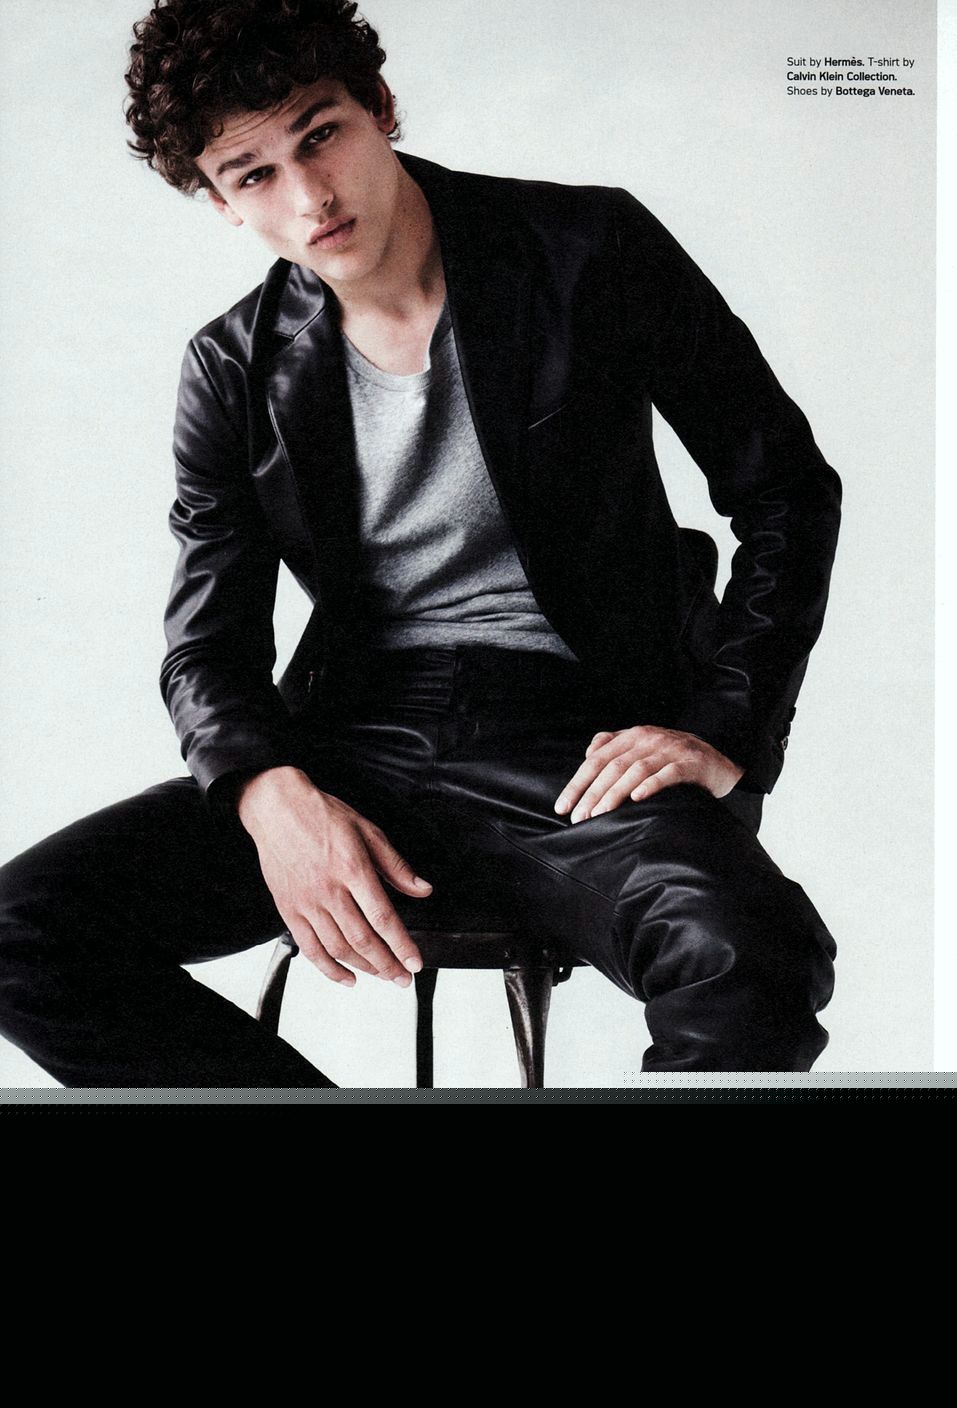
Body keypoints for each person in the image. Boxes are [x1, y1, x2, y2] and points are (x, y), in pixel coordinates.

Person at [0, 0, 841, 1085]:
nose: (309, 196)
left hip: (579, 737)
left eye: (321, 134)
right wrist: (267, 793)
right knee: (22, 932)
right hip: (356, 736)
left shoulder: (586, 250)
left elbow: (784, 490)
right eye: (253, 174)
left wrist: (726, 725)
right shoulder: (233, 370)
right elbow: (206, 644)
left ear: (380, 108)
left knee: (748, 958)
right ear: (219, 202)